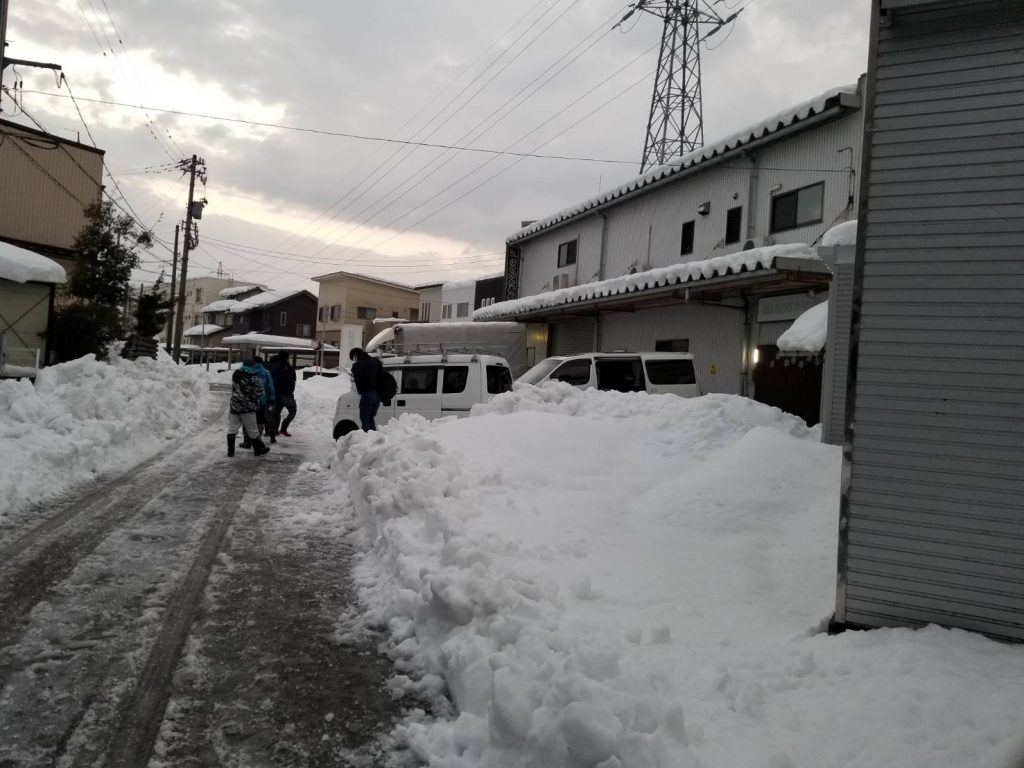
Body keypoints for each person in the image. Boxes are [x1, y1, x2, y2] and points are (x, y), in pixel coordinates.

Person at [228, 360, 270, 457]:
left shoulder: (236, 374)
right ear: (253, 365)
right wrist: (255, 398)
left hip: (234, 405)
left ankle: (231, 451)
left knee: (232, 429)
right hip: (247, 407)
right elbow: (260, 391)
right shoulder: (253, 376)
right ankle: (258, 450)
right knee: (252, 429)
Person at [350, 347, 384, 431]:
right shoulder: (376, 361)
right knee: (370, 417)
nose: (354, 360)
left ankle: (366, 438)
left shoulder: (358, 365)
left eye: (353, 358)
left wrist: (360, 390)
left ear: (355, 356)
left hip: (367, 394)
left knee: (364, 418)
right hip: (378, 395)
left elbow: (358, 380)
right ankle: (373, 436)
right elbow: (382, 376)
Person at [270, 351, 298, 436]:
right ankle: (283, 428)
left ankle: (274, 431)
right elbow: (293, 379)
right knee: (292, 411)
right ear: (287, 357)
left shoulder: (274, 367)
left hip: (276, 393)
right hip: (287, 394)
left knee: (276, 412)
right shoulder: (289, 368)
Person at [251, 356, 276, 444]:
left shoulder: (251, 372)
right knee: (269, 418)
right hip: (265, 400)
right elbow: (270, 386)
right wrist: (272, 398)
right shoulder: (266, 372)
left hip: (253, 400)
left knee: (255, 420)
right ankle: (272, 436)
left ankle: (257, 437)